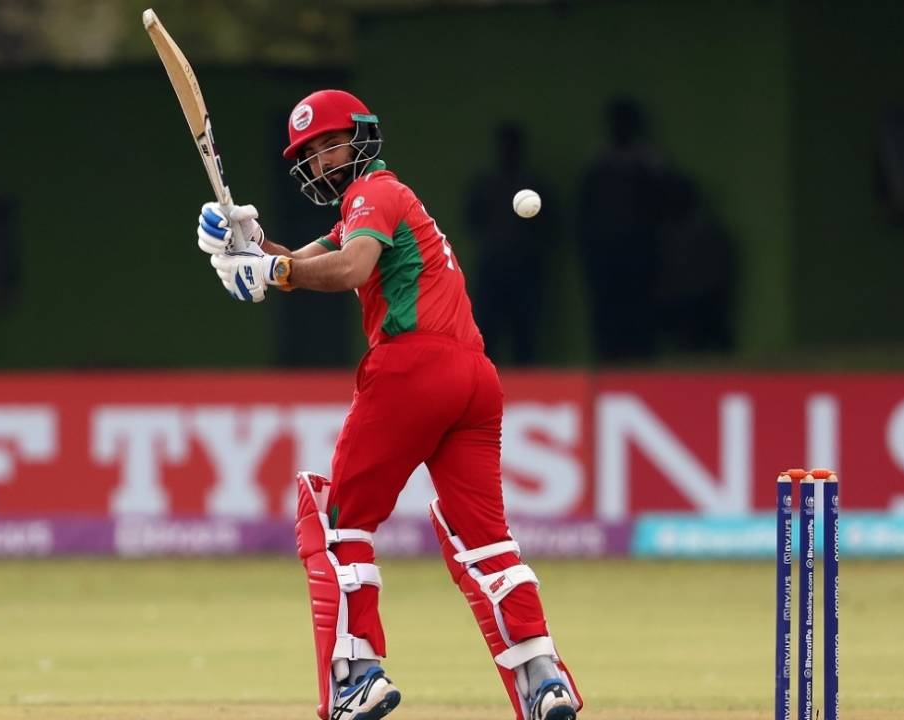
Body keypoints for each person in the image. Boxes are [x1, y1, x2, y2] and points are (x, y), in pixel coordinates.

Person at [195, 89, 582, 720]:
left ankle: (358, 674)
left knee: (336, 523)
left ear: (362, 136)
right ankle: (545, 680)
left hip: (412, 367)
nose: (322, 160)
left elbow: (347, 269)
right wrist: (248, 246)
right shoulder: (371, 205)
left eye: (330, 142)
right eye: (311, 153)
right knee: (484, 541)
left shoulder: (372, 192)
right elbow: (299, 263)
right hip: (474, 380)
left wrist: (274, 275)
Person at [577, 98, 667, 362]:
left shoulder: (650, 164)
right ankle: (607, 366)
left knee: (640, 312)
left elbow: (662, 209)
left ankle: (641, 366)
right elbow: (586, 213)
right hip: (605, 254)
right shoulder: (599, 164)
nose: (620, 129)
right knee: (606, 313)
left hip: (640, 252)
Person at [464, 123, 555, 365]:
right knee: (486, 336)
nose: (508, 151)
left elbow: (549, 229)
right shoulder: (485, 186)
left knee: (525, 337)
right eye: (505, 146)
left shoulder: (536, 186)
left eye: (513, 146)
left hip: (526, 272)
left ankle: (527, 391)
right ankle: (483, 388)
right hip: (492, 271)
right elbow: (472, 221)